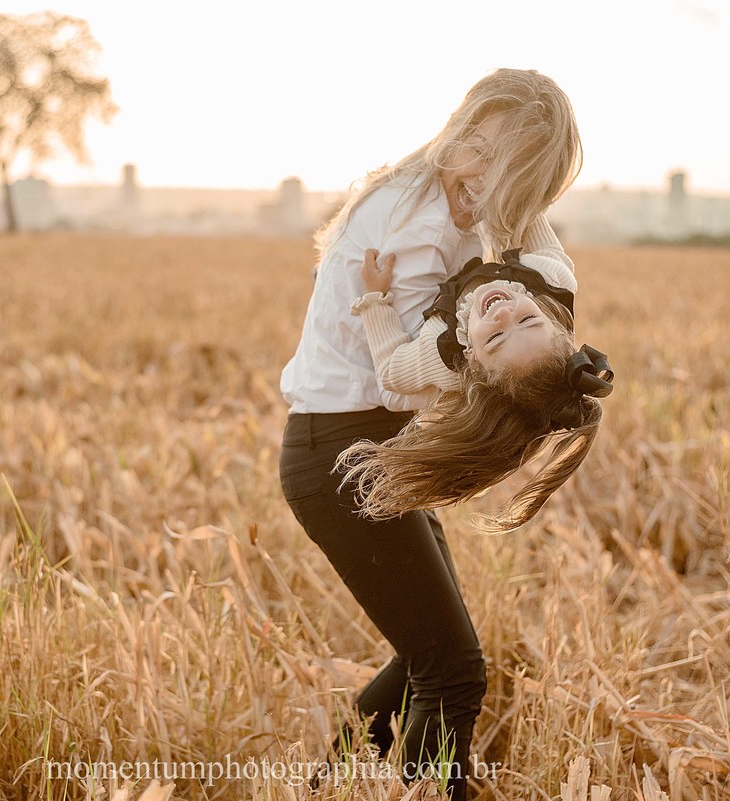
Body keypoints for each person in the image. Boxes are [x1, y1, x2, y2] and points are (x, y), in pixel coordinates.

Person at [278, 68, 584, 801]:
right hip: (340, 454)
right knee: (452, 665)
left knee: (428, 653)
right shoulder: (417, 228)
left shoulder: (428, 193)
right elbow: (402, 373)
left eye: (494, 157)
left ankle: (327, 786)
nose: (468, 161)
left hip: (363, 444)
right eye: (473, 139)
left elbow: (522, 269)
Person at [338, 246, 611, 529]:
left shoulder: (440, 353)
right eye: (528, 320)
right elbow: (529, 215)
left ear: (473, 361)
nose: (504, 314)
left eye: (495, 338)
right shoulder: (552, 279)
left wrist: (373, 298)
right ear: (553, 318)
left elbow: (390, 371)